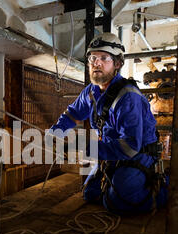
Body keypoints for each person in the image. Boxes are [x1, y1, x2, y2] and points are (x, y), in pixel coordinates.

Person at [49, 32, 168, 214]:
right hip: (111, 154)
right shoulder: (91, 92)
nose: (96, 63)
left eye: (104, 58)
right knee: (90, 194)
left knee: (116, 202)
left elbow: (129, 147)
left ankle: (164, 187)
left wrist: (85, 146)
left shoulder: (128, 97)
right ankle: (118, 183)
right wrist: (57, 130)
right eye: (92, 58)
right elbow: (73, 114)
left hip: (137, 155)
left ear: (118, 64)